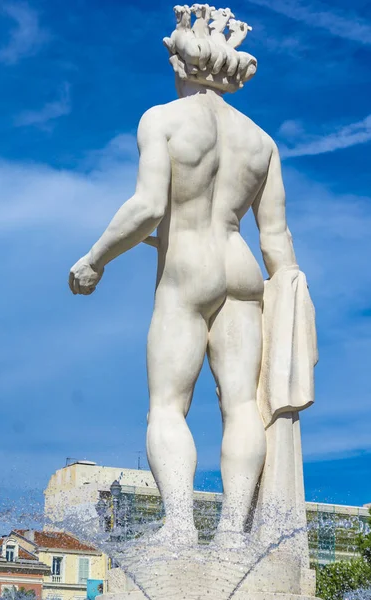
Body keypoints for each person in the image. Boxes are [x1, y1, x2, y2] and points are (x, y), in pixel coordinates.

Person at [69, 4, 297, 547]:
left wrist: (94, 258)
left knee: (169, 405)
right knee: (242, 405)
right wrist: (291, 298)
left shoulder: (163, 120)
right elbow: (275, 241)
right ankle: (234, 536)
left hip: (187, 272)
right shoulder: (261, 142)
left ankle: (177, 527)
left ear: (181, 64)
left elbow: (149, 206)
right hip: (240, 268)